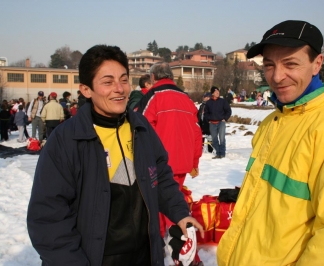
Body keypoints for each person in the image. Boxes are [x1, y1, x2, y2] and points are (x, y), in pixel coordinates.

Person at [217, 20, 324, 266]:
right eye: (269, 65)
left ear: (317, 64)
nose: (277, 76)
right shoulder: (274, 121)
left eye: (290, 64)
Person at [27, 44, 203, 266]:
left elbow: (162, 178)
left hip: (145, 256)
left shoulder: (142, 128)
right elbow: (48, 218)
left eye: (123, 79)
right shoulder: (65, 141)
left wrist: (180, 213)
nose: (119, 89)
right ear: (85, 89)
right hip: (93, 258)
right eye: (108, 82)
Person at [135, 62, 203, 265]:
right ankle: (181, 252)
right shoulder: (186, 99)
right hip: (182, 162)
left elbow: (140, 127)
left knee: (160, 209)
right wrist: (194, 161)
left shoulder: (153, 97)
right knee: (175, 204)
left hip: (159, 164)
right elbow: (197, 132)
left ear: (153, 77)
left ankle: (177, 254)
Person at [204, 86, 232, 159]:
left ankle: (222, 154)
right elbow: (205, 113)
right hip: (212, 123)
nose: (218, 93)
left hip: (221, 123)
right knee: (214, 139)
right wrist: (208, 120)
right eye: (216, 92)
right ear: (213, 93)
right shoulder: (208, 103)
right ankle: (217, 153)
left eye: (218, 92)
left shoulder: (223, 101)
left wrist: (225, 118)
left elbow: (228, 111)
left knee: (222, 139)